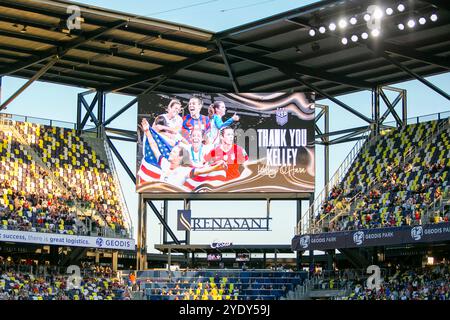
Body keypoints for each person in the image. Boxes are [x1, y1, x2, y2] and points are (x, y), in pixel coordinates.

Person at [141, 118, 225, 188]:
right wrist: (147, 131)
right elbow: (154, 148)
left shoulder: (183, 171)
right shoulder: (165, 164)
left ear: (180, 157)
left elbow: (200, 171)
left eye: (173, 152)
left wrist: (216, 167)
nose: (170, 153)